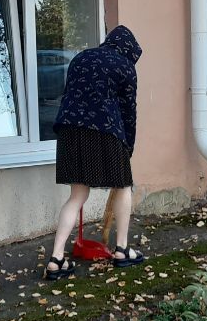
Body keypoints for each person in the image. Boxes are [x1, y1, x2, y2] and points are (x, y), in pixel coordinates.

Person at [45, 25, 146, 279]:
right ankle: (122, 249)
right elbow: (128, 112)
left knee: (77, 194)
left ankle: (56, 259)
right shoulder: (125, 66)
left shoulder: (81, 57)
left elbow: (69, 94)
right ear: (129, 49)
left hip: (69, 129)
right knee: (123, 186)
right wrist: (128, 146)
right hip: (105, 130)